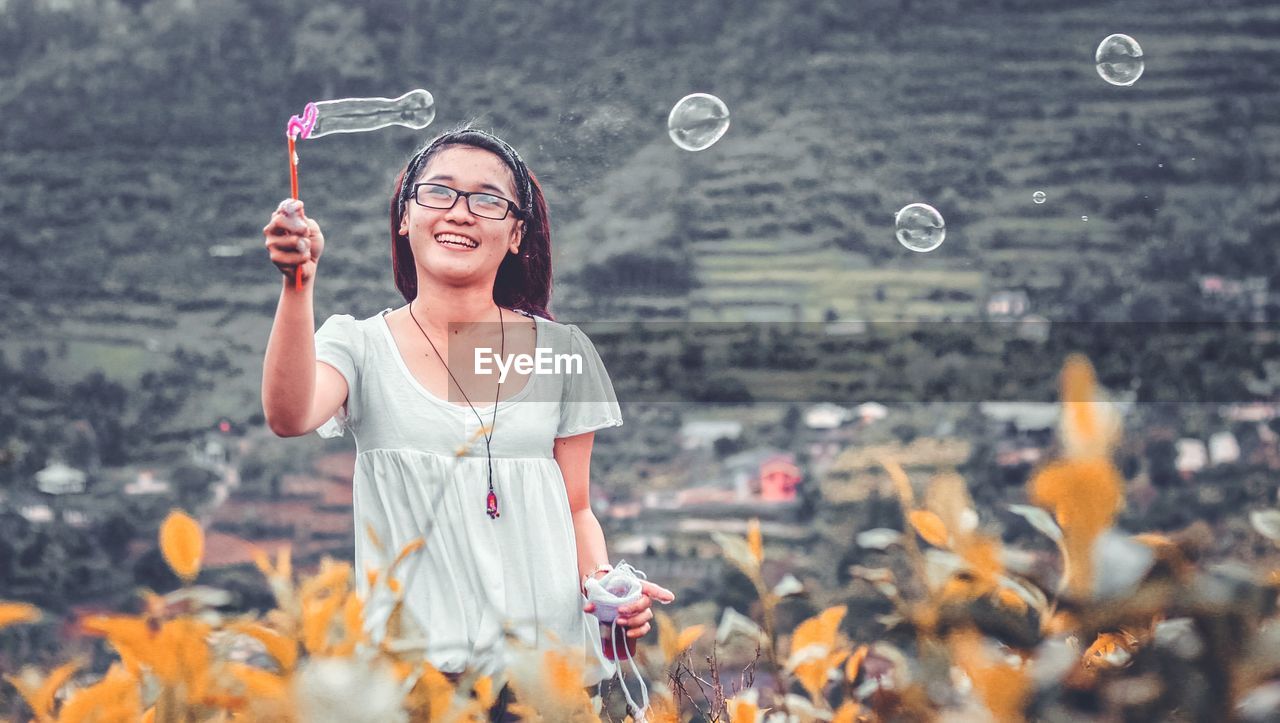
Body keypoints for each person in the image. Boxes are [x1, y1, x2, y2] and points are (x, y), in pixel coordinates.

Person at [260, 127, 674, 712]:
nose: (460, 212)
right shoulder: (358, 345)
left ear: (516, 234)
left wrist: (608, 592)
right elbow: (289, 414)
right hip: (417, 685)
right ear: (406, 217)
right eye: (439, 193)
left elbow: (577, 507)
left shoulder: (564, 351)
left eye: (487, 200)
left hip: (548, 680)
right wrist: (298, 286)